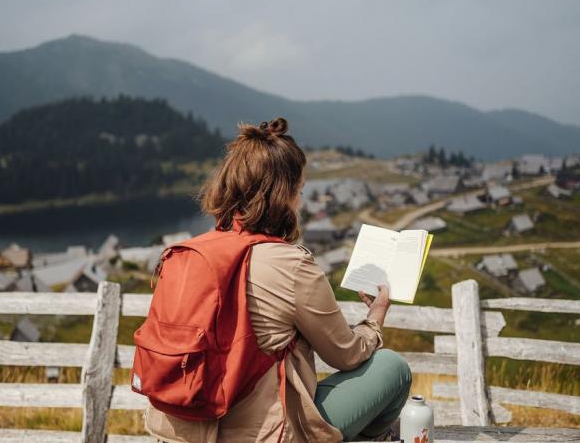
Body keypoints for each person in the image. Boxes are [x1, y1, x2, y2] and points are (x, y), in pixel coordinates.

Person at [144, 117, 412, 442]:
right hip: (263, 435)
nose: (299, 201)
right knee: (392, 368)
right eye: (298, 191)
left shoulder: (185, 254)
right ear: (283, 195)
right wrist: (376, 317)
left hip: (180, 434)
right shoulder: (291, 263)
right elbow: (347, 355)